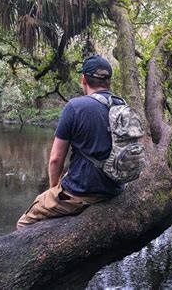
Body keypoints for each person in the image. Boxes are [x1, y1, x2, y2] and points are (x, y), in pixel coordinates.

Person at [17, 55, 124, 228]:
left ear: (83, 79)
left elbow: (55, 159)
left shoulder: (75, 107)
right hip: (115, 187)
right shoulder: (121, 105)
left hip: (84, 191)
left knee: (24, 223)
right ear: (108, 81)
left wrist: (54, 189)